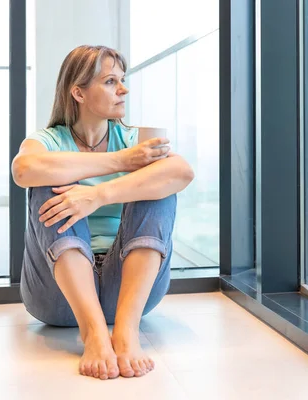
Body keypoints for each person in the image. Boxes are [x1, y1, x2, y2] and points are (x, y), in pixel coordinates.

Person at [11, 45, 194, 380]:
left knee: (158, 181)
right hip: (57, 298)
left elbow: (183, 173)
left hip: (129, 295)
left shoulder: (133, 139)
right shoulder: (49, 141)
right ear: (78, 92)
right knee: (44, 182)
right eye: (111, 81)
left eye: (122, 81)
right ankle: (94, 333)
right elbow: (23, 169)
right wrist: (122, 162)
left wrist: (97, 195)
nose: (123, 89)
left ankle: (125, 333)